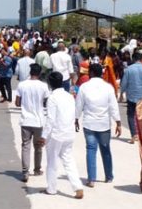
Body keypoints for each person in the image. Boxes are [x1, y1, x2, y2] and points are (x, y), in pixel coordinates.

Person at [75, 63, 122, 187]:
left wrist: (76, 118)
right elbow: (113, 106)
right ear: (101, 73)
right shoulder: (108, 87)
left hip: (89, 123)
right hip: (104, 124)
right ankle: (109, 176)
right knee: (105, 149)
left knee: (91, 149)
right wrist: (118, 122)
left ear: (90, 73)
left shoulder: (84, 87)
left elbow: (79, 105)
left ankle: (91, 179)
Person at [39, 71, 84, 199]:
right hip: (68, 133)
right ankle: (77, 186)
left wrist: (43, 136)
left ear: (49, 83)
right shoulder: (69, 96)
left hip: (56, 134)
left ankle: (51, 188)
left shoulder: (52, 98)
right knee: (68, 160)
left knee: (52, 162)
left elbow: (51, 120)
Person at [15, 63, 49, 182]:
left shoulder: (22, 85)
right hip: (39, 121)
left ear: (30, 72)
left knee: (25, 145)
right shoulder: (43, 86)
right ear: (39, 73)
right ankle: (37, 169)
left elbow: (17, 103)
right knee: (38, 146)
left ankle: (25, 171)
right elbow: (46, 102)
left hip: (25, 120)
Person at [120, 52, 142, 143]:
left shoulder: (128, 70)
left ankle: (134, 135)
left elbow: (123, 84)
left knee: (131, 116)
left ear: (133, 59)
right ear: (141, 59)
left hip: (131, 96)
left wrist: (121, 94)